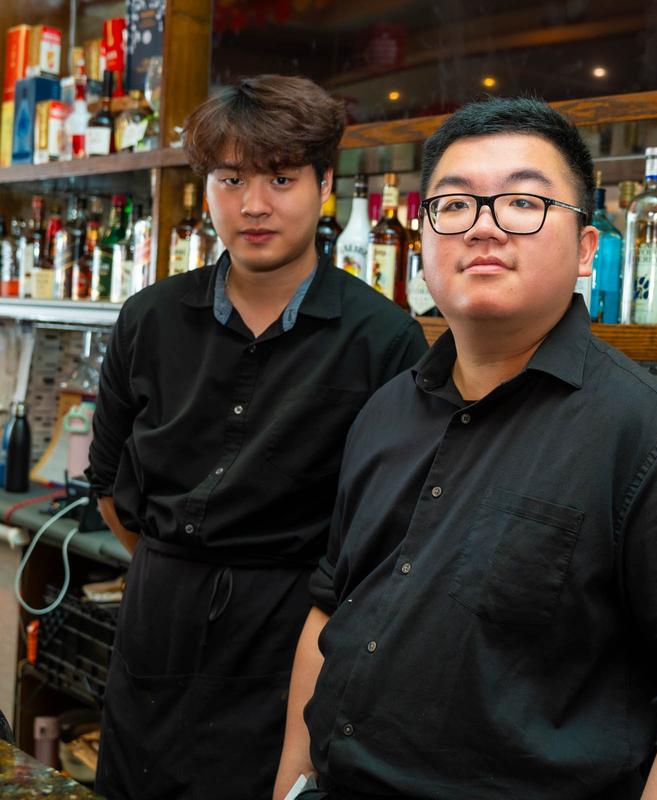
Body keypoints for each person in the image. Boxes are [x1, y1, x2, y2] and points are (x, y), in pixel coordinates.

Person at [274, 96, 657, 800]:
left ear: (587, 249)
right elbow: (331, 608)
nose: (483, 227)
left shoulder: (650, 439)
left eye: (523, 202)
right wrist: (290, 785)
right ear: (423, 237)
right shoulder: (385, 410)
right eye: (454, 204)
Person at [88, 74, 428, 800]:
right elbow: (108, 482)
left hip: (292, 633)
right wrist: (172, 572)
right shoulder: (148, 319)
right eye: (231, 179)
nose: (253, 205)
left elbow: (388, 532)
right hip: (157, 616)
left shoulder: (384, 339)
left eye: (281, 178)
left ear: (324, 184)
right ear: (206, 188)